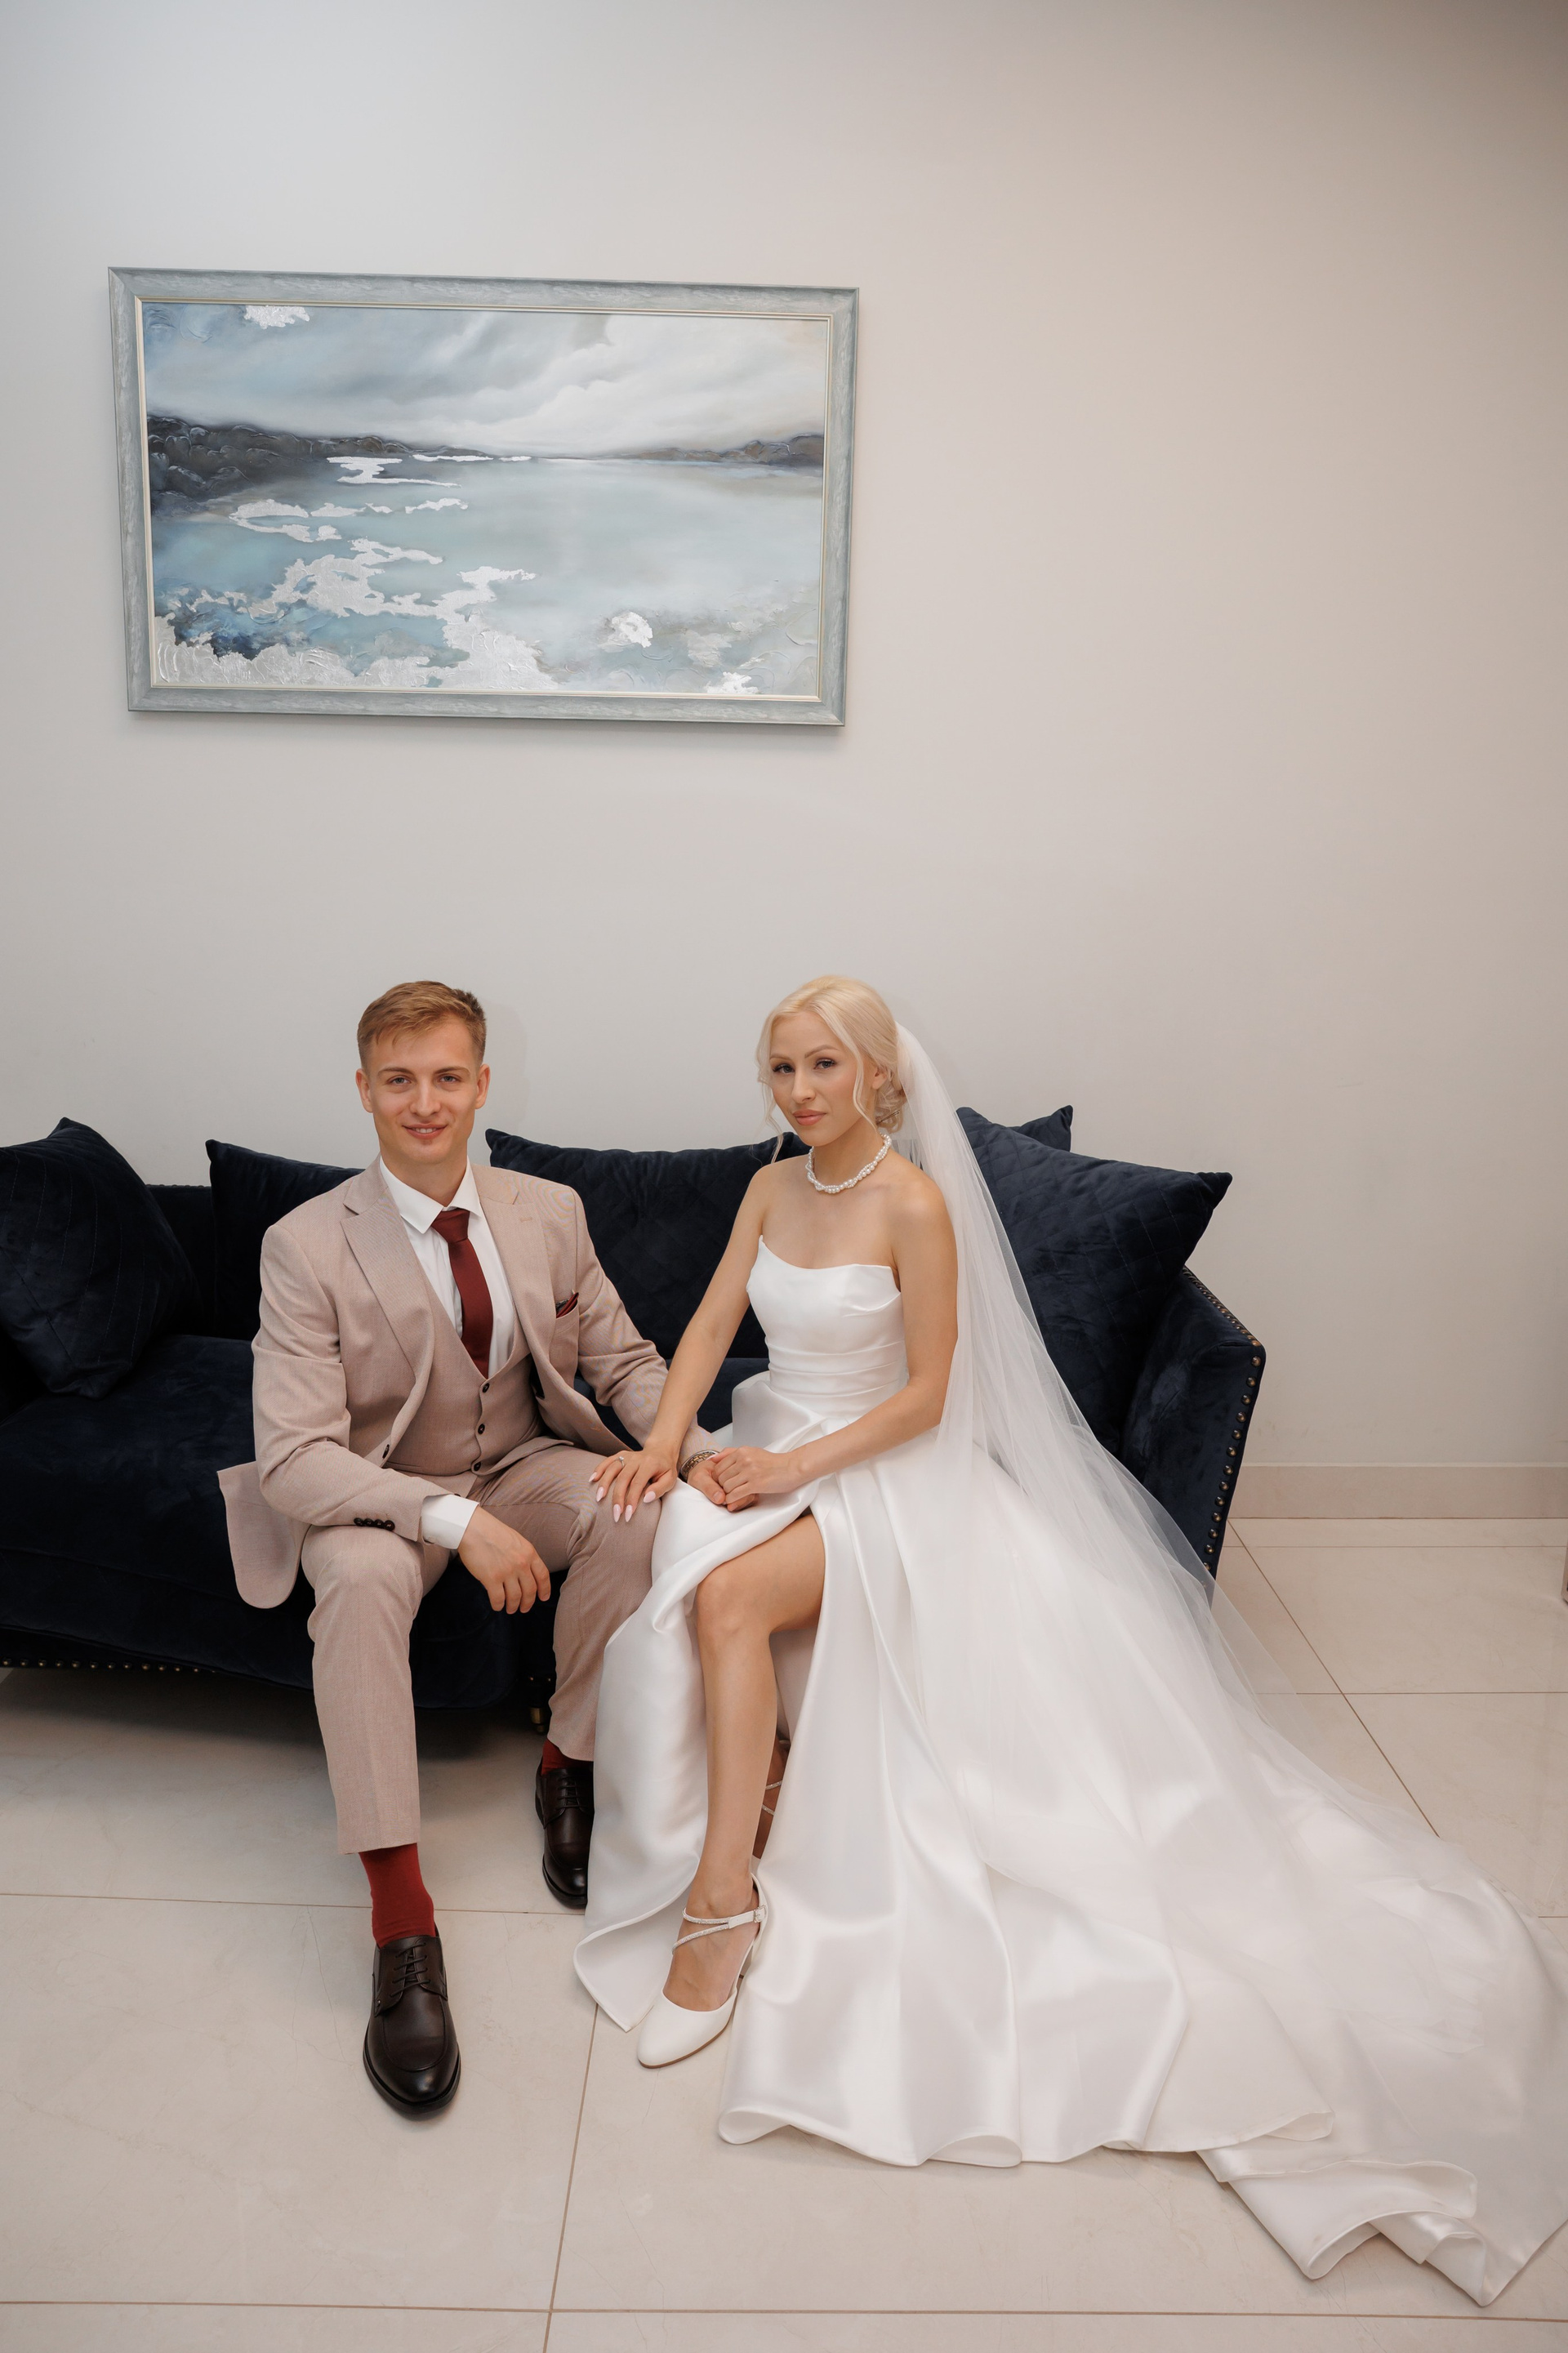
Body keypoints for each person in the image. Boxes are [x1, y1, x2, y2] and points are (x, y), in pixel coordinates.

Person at [576, 974, 1568, 2306]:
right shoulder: (769, 1187)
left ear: (878, 1073)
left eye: (823, 1065)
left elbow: (931, 1396)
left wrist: (794, 1468)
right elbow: (707, 1329)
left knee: (727, 1600)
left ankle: (722, 1908)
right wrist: (667, 1443)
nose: (799, 1091)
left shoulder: (914, 1203)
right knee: (681, 1567)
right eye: (782, 1068)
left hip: (879, 1471)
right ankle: (746, 1806)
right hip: (771, 1443)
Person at [219, 980, 713, 2115]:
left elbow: (625, 1361)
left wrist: (695, 1449)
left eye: (448, 1077)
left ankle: (570, 1761)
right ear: (363, 1090)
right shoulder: (304, 1243)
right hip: (377, 1490)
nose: (425, 1102)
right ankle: (402, 1924)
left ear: (485, 1083)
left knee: (635, 1507)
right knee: (353, 1582)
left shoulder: (551, 1211)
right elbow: (293, 1455)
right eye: (399, 1080)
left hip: (523, 1459)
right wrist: (454, 1520)